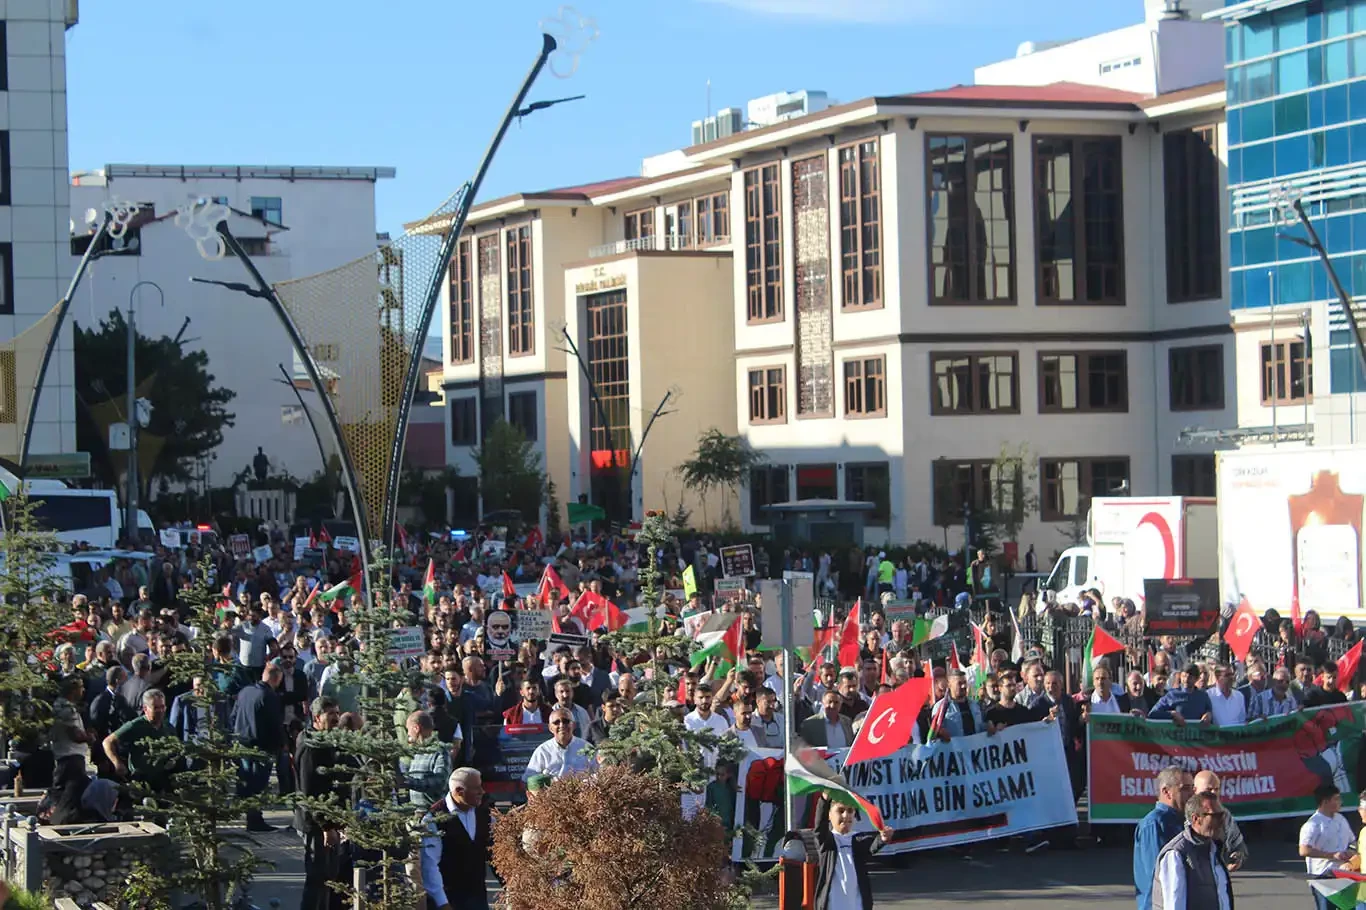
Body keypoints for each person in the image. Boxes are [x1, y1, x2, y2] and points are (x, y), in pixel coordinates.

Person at [296, 697, 347, 910]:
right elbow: (310, 792)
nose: (336, 717)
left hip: (332, 822)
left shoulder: (329, 740)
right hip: (317, 825)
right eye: (330, 714)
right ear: (317, 718)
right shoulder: (311, 747)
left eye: (337, 712)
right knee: (317, 878)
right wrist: (326, 827)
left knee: (329, 877)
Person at [420, 767, 492, 910]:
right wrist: (442, 903)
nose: (482, 792)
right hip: (448, 900)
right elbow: (430, 865)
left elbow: (496, 855)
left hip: (478, 899)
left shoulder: (484, 814)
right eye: (476, 788)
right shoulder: (434, 819)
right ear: (459, 791)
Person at [1151, 791, 1233, 910]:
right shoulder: (1176, 853)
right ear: (1196, 819)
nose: (1222, 821)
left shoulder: (1213, 849)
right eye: (1216, 816)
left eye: (1223, 815)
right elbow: (1174, 905)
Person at [813, 796, 894, 910]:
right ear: (829, 815)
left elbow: (872, 845)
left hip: (857, 905)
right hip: (832, 905)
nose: (846, 815)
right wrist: (824, 800)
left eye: (850, 811)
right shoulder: (827, 842)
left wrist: (883, 838)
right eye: (840, 811)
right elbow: (819, 828)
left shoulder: (858, 839)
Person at [232, 664, 285, 832]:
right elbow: (274, 724)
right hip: (261, 747)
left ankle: (250, 816)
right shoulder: (269, 696)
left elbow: (234, 716)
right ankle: (255, 819)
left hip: (242, 744)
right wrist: (279, 746)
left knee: (247, 782)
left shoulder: (245, 692)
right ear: (276, 679)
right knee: (258, 783)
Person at [1134, 766, 1194, 910]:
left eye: (1192, 788)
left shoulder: (1183, 820)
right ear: (1166, 791)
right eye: (1185, 788)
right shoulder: (1154, 824)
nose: (1191, 794)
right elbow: (1158, 874)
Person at [102, 689, 177, 797]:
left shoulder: (168, 728)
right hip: (140, 781)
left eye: (162, 707)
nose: (160, 711)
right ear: (145, 709)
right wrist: (117, 763)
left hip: (162, 781)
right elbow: (107, 742)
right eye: (156, 708)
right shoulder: (135, 726)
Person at [1301, 784, 1356, 910]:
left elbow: (1353, 842)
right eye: (1336, 799)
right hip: (1323, 877)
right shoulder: (1313, 824)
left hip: (1344, 874)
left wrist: (1351, 853)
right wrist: (1332, 855)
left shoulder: (1341, 820)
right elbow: (1304, 850)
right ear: (1325, 802)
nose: (1340, 802)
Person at [522, 707, 596, 782]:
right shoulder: (543, 751)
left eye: (566, 721)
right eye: (556, 722)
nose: (561, 725)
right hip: (552, 792)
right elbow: (529, 778)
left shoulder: (587, 747)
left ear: (573, 725)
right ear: (550, 728)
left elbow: (598, 773)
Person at [1193, 770, 1247, 872]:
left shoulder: (1225, 815)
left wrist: (1237, 856)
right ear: (1195, 790)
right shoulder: (1185, 814)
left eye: (1217, 789)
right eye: (1209, 789)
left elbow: (1238, 844)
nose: (1214, 793)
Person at [401, 710, 452, 808]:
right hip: (418, 812)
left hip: (434, 814)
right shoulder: (418, 752)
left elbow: (440, 782)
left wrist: (409, 782)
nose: (408, 734)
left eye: (408, 729)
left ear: (416, 728)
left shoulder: (440, 751)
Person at [1148, 666, 1213, 726]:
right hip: (1176, 736)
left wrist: (1208, 715)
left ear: (1196, 679)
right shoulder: (1172, 695)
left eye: (1190, 677)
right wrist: (1172, 714)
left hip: (1199, 736)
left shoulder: (1203, 696)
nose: (1186, 680)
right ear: (1180, 676)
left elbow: (1210, 712)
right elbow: (1153, 714)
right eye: (1184, 676)